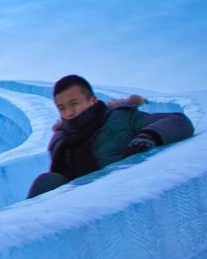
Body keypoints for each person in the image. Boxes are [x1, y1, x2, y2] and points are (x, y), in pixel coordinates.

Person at [27, 74, 194, 198]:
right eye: (62, 108)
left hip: (125, 193)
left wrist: (148, 136)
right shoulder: (60, 141)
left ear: (92, 101)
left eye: (74, 104)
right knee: (46, 181)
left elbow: (178, 121)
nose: (69, 113)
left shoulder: (120, 118)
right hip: (80, 205)